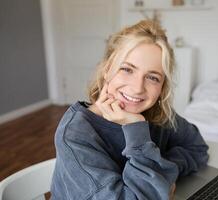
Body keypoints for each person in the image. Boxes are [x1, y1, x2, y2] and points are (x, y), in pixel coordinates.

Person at [50, 20, 209, 200]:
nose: (137, 88)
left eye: (152, 77)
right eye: (127, 69)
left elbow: (197, 147)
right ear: (107, 69)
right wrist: (136, 129)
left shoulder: (158, 114)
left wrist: (162, 174)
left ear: (162, 86)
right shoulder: (75, 134)